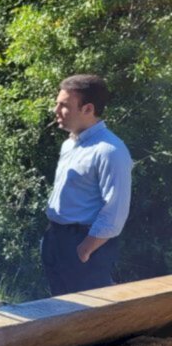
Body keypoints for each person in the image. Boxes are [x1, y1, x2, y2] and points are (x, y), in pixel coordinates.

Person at [42, 74, 132, 295]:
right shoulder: (69, 144)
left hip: (84, 246)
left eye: (63, 105)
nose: (56, 111)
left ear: (88, 109)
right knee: (60, 310)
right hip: (57, 239)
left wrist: (85, 249)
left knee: (88, 317)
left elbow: (116, 211)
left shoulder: (110, 150)